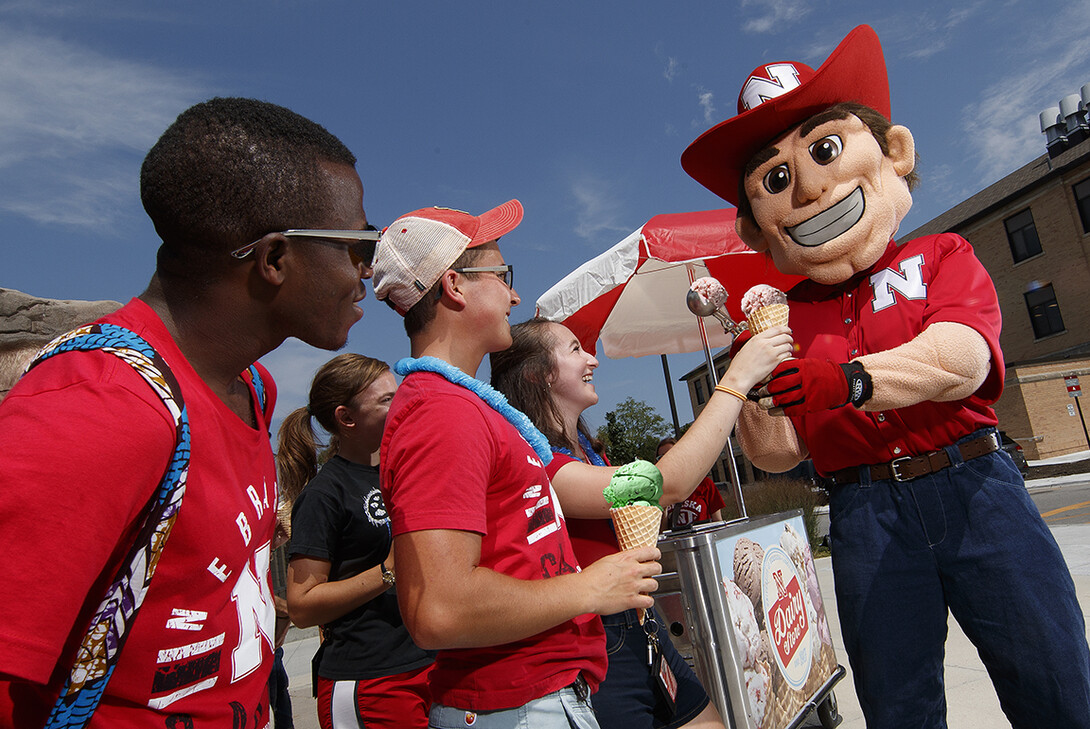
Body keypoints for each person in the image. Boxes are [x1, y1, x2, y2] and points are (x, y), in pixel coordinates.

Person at [680, 25, 1090, 728]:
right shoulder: (786, 315)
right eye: (776, 181)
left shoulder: (940, 255)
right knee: (899, 706)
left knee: (1055, 684)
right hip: (866, 512)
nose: (807, 187)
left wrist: (850, 379)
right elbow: (777, 452)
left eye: (824, 150)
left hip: (977, 487)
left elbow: (963, 357)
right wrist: (749, 363)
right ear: (757, 229)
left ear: (892, 152)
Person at [0, 97, 376, 728]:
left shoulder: (251, 388)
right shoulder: (100, 409)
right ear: (276, 259)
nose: (367, 270)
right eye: (356, 245)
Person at [371, 201, 662, 729]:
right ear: (455, 286)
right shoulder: (440, 413)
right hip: (515, 707)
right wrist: (590, 588)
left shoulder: (464, 406)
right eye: (503, 275)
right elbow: (439, 609)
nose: (515, 294)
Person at [490, 316, 791, 729]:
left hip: (641, 627)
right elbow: (666, 485)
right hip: (594, 640)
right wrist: (735, 379)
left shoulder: (591, 455)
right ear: (538, 374)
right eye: (576, 349)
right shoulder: (540, 464)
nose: (592, 359)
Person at [276, 353, 434, 729]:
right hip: (370, 681)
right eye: (385, 400)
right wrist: (389, 571)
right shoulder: (324, 494)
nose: (401, 405)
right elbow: (302, 606)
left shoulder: (404, 472)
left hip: (429, 665)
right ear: (347, 418)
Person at [655, 438, 724, 527]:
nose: (666, 460)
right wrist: (664, 509)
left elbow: (718, 522)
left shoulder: (705, 484)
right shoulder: (659, 491)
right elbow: (663, 533)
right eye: (661, 457)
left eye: (671, 455)